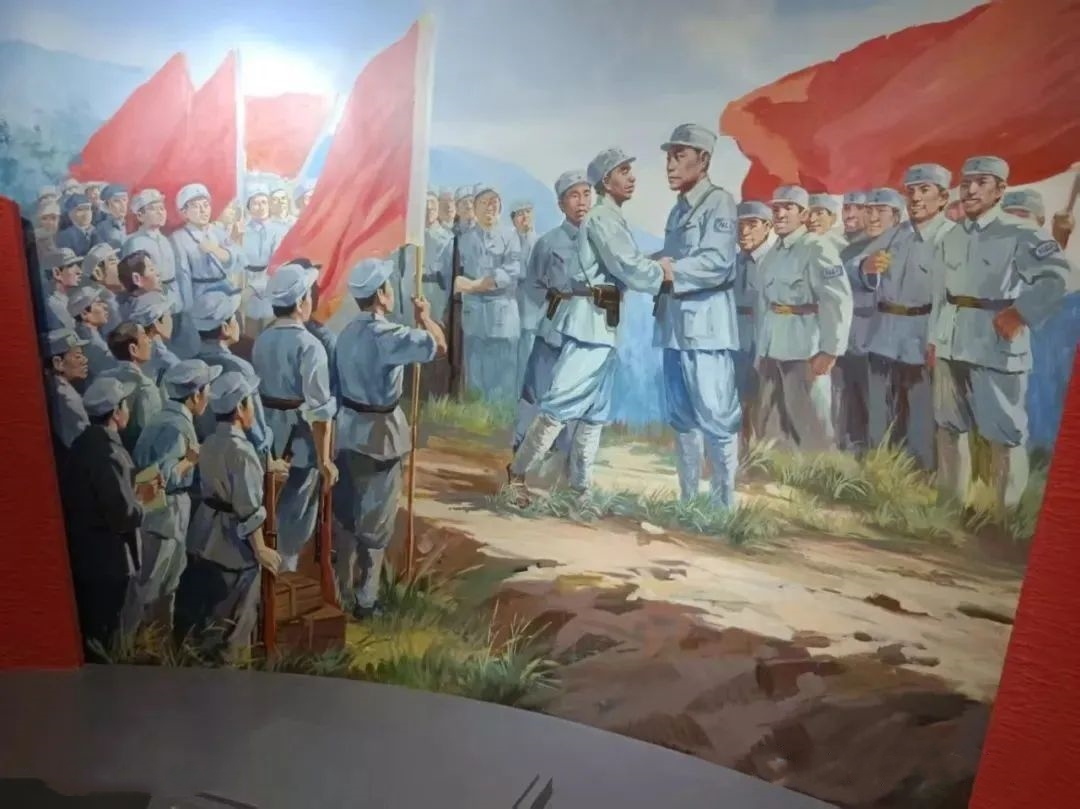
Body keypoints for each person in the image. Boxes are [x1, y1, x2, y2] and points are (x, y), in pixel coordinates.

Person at [508, 148, 673, 500]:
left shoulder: (608, 218)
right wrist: (663, 273)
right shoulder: (602, 219)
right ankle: (517, 475)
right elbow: (628, 266)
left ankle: (580, 489)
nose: (632, 178)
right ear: (606, 181)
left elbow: (624, 263)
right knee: (557, 405)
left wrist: (653, 265)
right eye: (623, 171)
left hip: (604, 324)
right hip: (587, 324)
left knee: (595, 412)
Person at [929, 155, 1073, 511]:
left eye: (981, 183)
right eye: (966, 183)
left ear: (1000, 190)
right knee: (949, 427)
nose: (971, 190)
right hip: (951, 342)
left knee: (1004, 433)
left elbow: (1056, 278)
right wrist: (933, 339)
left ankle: (1003, 515)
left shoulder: (1022, 233)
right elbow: (940, 294)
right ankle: (949, 507)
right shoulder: (951, 235)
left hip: (996, 343)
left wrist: (1021, 313)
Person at [333, 259, 446, 617]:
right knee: (376, 524)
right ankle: (366, 600)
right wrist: (425, 317)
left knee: (346, 517)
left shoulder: (345, 334)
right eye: (389, 287)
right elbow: (439, 346)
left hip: (347, 432)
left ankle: (339, 592)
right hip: (379, 437)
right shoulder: (389, 336)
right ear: (381, 294)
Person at [652, 124, 740, 508]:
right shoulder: (679, 209)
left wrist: (667, 270)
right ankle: (688, 502)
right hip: (674, 328)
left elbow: (717, 263)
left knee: (717, 417)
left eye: (679, 156)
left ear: (703, 160)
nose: (670, 165)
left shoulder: (719, 203)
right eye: (669, 157)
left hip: (707, 329)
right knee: (682, 417)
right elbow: (671, 258)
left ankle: (723, 505)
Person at [176, 371, 281, 657]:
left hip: (204, 534)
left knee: (208, 613)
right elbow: (248, 508)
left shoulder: (209, 442)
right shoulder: (242, 451)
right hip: (232, 544)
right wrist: (260, 549)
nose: (253, 410)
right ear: (240, 408)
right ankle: (231, 662)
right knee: (238, 614)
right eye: (251, 402)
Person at [61, 376, 163, 661]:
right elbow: (124, 516)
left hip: (87, 558)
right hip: (112, 562)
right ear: (116, 412)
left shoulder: (82, 445)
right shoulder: (110, 453)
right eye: (125, 405)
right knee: (112, 641)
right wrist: (145, 497)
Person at [860, 166, 953, 470]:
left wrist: (938, 339)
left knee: (920, 409)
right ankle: (877, 467)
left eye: (924, 190)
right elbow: (856, 268)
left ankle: (920, 473)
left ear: (943, 198)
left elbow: (953, 297)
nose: (915, 197)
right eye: (911, 191)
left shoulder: (951, 237)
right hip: (884, 332)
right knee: (879, 406)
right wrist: (866, 268)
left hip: (922, 333)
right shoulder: (895, 234)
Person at [251, 263, 338, 572]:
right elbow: (319, 411)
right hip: (300, 440)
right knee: (299, 505)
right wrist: (325, 459)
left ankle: (270, 565)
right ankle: (286, 567)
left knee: (268, 499)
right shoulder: (311, 346)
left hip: (267, 434)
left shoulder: (262, 339)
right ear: (301, 303)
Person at [754, 185, 853, 452]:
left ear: (804, 214)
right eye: (776, 208)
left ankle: (825, 472)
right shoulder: (773, 253)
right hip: (772, 347)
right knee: (774, 427)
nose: (780, 214)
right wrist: (761, 350)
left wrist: (830, 350)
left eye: (788, 208)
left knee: (813, 425)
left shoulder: (817, 248)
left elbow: (837, 299)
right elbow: (767, 304)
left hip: (805, 347)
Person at [131, 359, 220, 630]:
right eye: (207, 389)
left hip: (164, 512)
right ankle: (142, 642)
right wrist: (190, 461)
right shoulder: (175, 426)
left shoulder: (164, 418)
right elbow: (161, 477)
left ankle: (156, 641)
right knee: (155, 584)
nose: (209, 397)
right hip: (165, 513)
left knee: (166, 582)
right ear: (196, 394)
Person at [512, 170, 591, 459]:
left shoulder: (602, 240)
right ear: (561, 204)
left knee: (577, 399)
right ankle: (521, 455)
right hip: (554, 330)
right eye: (574, 195)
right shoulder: (548, 243)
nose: (581, 202)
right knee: (536, 392)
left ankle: (566, 460)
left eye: (586, 194)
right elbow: (533, 287)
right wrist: (551, 311)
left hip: (589, 332)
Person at [456, 185, 523, 402]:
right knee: (475, 374)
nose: (489, 207)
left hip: (502, 316)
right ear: (475, 208)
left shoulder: (510, 236)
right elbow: (456, 278)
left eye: (494, 202)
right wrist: (468, 285)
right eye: (484, 203)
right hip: (474, 317)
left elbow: (510, 273)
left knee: (503, 377)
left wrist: (472, 286)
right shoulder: (464, 239)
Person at [193, 289, 272, 452]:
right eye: (234, 318)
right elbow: (255, 428)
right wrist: (267, 440)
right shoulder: (240, 368)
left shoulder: (191, 365)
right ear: (225, 328)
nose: (238, 323)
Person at [832, 189, 881, 455]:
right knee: (845, 397)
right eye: (846, 207)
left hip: (871, 335)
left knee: (869, 399)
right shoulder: (843, 248)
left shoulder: (877, 246)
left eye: (858, 208)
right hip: (845, 335)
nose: (849, 214)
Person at [168, 184, 234, 359]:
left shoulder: (218, 232)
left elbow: (235, 259)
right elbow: (183, 275)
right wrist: (188, 310)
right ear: (184, 212)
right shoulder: (178, 238)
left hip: (225, 292)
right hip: (200, 298)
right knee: (204, 344)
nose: (203, 210)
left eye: (206, 205)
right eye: (196, 207)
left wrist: (217, 251)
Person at [734, 200, 777, 449]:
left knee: (762, 404)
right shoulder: (732, 263)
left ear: (768, 227)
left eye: (752, 224)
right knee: (735, 402)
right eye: (740, 225)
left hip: (765, 341)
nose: (744, 231)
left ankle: (758, 456)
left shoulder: (775, 262)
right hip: (734, 342)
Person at [101, 322, 161, 453]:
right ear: (133, 349)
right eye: (144, 336)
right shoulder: (146, 387)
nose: (150, 341)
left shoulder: (103, 377)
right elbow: (149, 436)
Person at [122, 190, 180, 322]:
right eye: (153, 209)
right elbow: (134, 281)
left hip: (172, 296)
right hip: (150, 301)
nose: (160, 212)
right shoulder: (135, 242)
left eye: (162, 208)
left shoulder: (165, 240)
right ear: (140, 216)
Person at [240, 184, 289, 339]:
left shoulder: (280, 230)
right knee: (249, 333)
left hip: (271, 284)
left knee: (271, 329)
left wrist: (253, 288)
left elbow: (277, 264)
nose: (260, 207)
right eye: (255, 203)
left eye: (264, 202)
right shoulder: (242, 230)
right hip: (246, 283)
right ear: (248, 207)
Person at [42, 328, 90, 456]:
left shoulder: (49, 387)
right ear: (58, 363)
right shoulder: (69, 399)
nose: (85, 360)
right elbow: (85, 446)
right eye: (78, 356)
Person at [129, 291, 179, 386]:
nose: (171, 320)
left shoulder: (154, 344)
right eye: (169, 316)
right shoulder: (153, 355)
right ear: (157, 323)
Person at [68, 286, 117, 380]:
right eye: (98, 303)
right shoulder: (91, 343)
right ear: (84, 314)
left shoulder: (90, 335)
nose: (105, 306)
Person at [422, 189, 455, 325]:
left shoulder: (448, 240)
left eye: (432, 203)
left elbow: (451, 279)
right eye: (425, 203)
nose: (429, 207)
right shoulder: (410, 239)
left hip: (438, 304)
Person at [81, 243, 123, 337]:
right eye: (113, 262)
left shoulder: (113, 299)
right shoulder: (108, 306)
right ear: (98, 273)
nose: (120, 265)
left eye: (118, 259)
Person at [115, 249, 163, 322]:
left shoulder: (125, 307)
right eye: (151, 269)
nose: (158, 273)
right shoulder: (149, 310)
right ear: (137, 279)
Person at [43, 248, 84, 330]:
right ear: (57, 273)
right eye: (71, 266)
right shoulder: (55, 305)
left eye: (78, 265)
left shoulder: (66, 301)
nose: (79, 271)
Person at [95, 185, 129, 249]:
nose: (123, 205)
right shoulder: (102, 227)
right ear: (107, 205)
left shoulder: (131, 224)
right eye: (116, 201)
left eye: (124, 200)